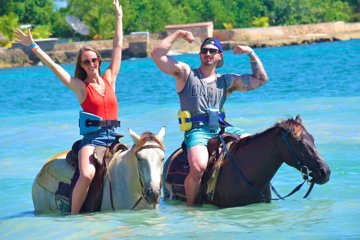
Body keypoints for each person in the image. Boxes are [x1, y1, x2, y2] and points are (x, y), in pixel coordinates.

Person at [15, 0, 123, 214]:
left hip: (114, 137)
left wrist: (119, 17)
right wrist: (33, 46)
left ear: (99, 61)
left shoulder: (110, 78)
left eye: (94, 60)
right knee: (87, 174)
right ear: (81, 66)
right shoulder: (81, 87)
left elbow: (118, 46)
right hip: (93, 140)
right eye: (86, 62)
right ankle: (75, 216)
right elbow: (56, 68)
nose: (91, 65)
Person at [151, 31, 269, 206]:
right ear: (200, 54)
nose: (207, 54)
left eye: (212, 51)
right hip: (197, 131)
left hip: (223, 128)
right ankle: (192, 208)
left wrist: (250, 53)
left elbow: (261, 79)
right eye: (204, 50)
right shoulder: (185, 74)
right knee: (198, 167)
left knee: (254, 147)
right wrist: (178, 34)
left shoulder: (227, 81)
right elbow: (157, 55)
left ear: (219, 56)